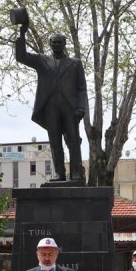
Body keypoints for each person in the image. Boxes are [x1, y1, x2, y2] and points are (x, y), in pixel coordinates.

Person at [15, 18, 87, 183]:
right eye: (54, 43)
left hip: (70, 107)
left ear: (64, 44)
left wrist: (81, 107)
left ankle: (76, 173)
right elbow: (21, 56)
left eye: (59, 42)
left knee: (73, 141)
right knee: (55, 142)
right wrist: (22, 33)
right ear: (50, 44)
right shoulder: (42, 60)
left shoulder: (75, 64)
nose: (56, 45)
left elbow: (82, 88)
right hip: (50, 107)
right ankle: (59, 174)